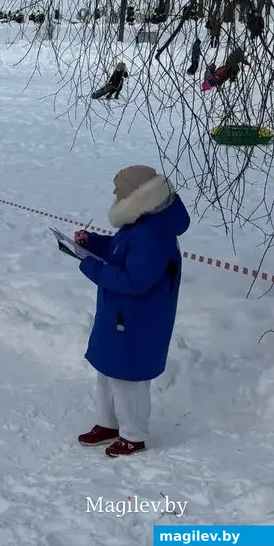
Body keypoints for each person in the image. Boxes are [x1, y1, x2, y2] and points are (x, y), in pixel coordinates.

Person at [74, 165, 189, 457]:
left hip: (137, 320)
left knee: (128, 379)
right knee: (108, 370)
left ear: (135, 193)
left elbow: (135, 281)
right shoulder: (142, 221)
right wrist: (93, 243)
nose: (114, 193)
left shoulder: (153, 234)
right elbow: (121, 248)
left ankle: (133, 435)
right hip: (119, 316)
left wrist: (92, 267)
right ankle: (109, 424)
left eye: (119, 188)